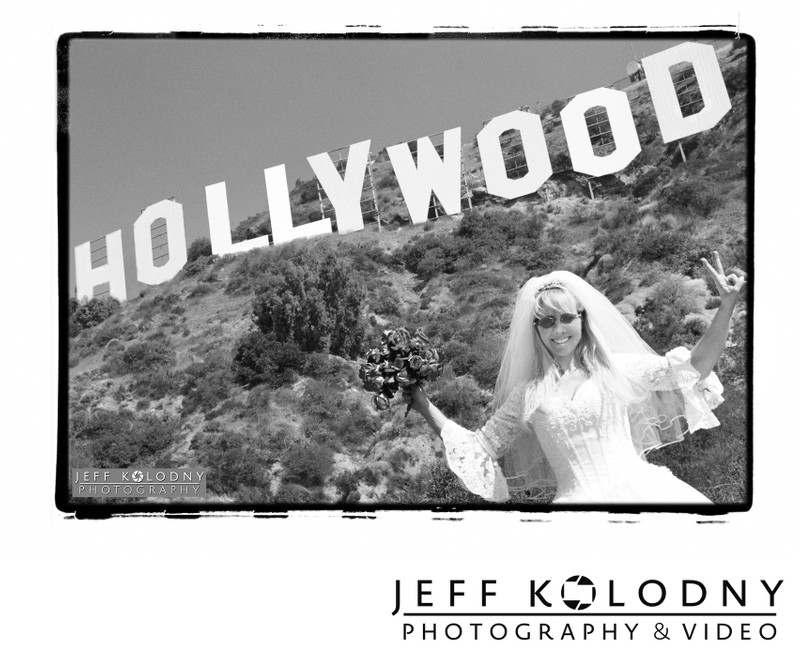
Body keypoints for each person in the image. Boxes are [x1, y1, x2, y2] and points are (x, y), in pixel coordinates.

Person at [403, 252, 745, 504]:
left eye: (566, 317)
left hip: (644, 494)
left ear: (582, 319)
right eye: (547, 322)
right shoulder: (528, 395)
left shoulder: (615, 369)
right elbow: (480, 447)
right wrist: (422, 403)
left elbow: (694, 369)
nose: (558, 329)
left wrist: (726, 306)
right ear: (536, 330)